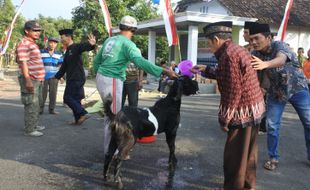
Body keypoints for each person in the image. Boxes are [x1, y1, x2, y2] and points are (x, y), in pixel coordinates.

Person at [192, 21, 265, 190]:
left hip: (243, 111)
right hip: (255, 109)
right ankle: (248, 186)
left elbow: (233, 90)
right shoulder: (236, 49)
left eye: (208, 43)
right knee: (248, 155)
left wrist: (225, 119)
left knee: (235, 158)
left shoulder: (229, 55)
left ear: (216, 39)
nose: (209, 47)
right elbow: (226, 74)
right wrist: (205, 69)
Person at [93, 15, 177, 156]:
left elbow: (96, 61)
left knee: (110, 114)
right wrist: (164, 71)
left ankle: (112, 149)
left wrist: (100, 76)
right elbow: (140, 62)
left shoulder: (110, 40)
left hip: (102, 77)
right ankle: (111, 152)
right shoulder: (128, 44)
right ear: (134, 30)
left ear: (120, 27)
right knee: (114, 118)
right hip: (112, 79)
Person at [249, 23, 310, 170]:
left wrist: (265, 64)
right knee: (271, 126)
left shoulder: (280, 45)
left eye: (256, 38)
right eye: (251, 40)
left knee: (309, 122)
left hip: (297, 89)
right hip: (276, 93)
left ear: (269, 37)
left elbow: (281, 59)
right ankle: (273, 158)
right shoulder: (255, 54)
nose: (253, 42)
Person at [54, 29, 96, 125]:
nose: (61, 39)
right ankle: (78, 120)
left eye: (62, 37)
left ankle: (83, 113)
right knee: (76, 99)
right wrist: (57, 77)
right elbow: (64, 66)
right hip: (73, 78)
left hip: (77, 78)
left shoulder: (76, 47)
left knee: (67, 98)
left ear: (68, 37)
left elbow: (85, 46)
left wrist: (91, 44)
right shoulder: (68, 50)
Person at [16, 20, 46, 137]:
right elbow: (23, 63)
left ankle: (33, 124)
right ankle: (29, 129)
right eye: (34, 30)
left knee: (37, 103)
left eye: (38, 30)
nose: (37, 32)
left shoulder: (32, 43)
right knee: (31, 103)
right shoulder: (24, 44)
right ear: (27, 31)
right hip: (31, 79)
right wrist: (27, 80)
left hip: (37, 79)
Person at [40, 37, 63, 114]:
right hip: (43, 76)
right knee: (42, 93)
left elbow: (60, 66)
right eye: (51, 42)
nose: (52, 44)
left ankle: (52, 109)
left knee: (53, 93)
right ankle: (40, 109)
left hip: (54, 76)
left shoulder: (59, 54)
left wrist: (61, 76)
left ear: (56, 44)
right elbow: (38, 64)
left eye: (55, 43)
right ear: (48, 42)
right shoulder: (41, 52)